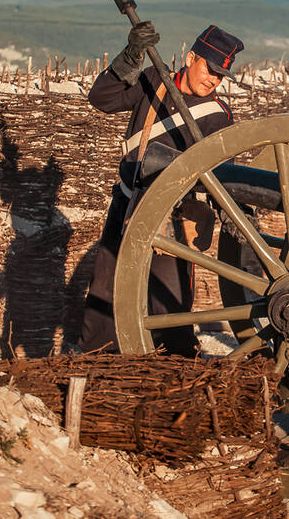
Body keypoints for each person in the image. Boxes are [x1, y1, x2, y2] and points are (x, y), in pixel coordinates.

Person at [79, 22, 243, 356]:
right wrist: (131, 55)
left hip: (175, 218)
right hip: (128, 204)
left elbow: (221, 174)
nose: (213, 79)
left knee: (169, 301)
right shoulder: (153, 82)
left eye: (220, 76)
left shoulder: (218, 117)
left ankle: (174, 371)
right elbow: (102, 99)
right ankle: (98, 365)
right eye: (209, 69)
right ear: (190, 57)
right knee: (106, 290)